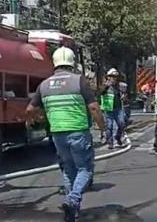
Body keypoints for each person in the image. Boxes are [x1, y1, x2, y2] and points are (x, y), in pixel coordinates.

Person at [26, 46, 105, 222]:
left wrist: (36, 121)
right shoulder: (79, 81)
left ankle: (72, 213)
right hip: (78, 131)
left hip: (57, 135)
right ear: (72, 62)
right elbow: (94, 108)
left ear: (55, 63)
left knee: (69, 170)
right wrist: (102, 128)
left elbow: (30, 109)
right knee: (85, 169)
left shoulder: (44, 85)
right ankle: (72, 199)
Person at [101, 68, 125, 149]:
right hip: (108, 109)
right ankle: (110, 142)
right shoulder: (105, 86)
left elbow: (123, 95)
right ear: (108, 77)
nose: (114, 78)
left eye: (115, 77)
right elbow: (100, 93)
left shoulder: (118, 86)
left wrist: (123, 96)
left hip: (118, 109)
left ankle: (118, 137)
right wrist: (106, 86)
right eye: (112, 76)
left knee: (121, 124)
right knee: (109, 126)